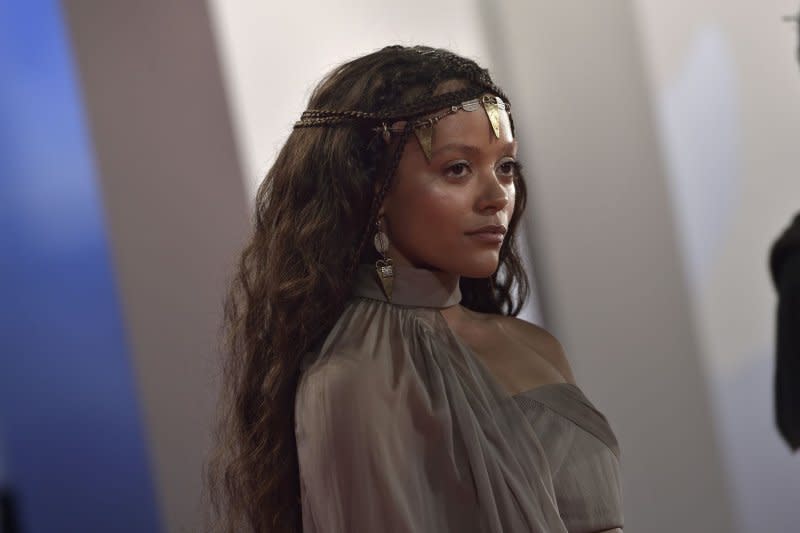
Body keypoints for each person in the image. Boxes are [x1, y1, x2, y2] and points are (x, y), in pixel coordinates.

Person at [206, 45, 624, 533]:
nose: (496, 198)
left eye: (505, 166)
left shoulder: (538, 347)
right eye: (458, 169)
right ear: (375, 191)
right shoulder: (351, 380)